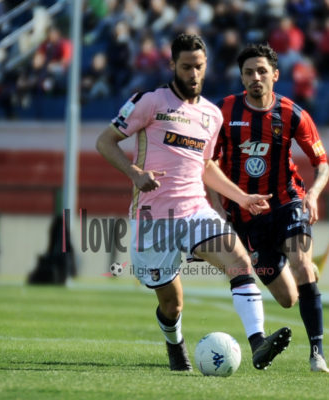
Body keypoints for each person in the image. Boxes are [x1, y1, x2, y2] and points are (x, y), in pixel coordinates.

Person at [96, 33, 291, 372]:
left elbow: (206, 165)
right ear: (173, 65)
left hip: (195, 210)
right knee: (172, 305)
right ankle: (175, 345)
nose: (193, 73)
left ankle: (258, 342)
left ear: (206, 65)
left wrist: (241, 197)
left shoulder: (211, 115)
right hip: (153, 219)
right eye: (186, 66)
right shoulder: (149, 102)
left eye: (199, 66)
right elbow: (105, 141)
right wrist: (135, 173)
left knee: (239, 261)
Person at [210, 44, 329, 373]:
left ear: (275, 75)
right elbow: (209, 162)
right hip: (246, 215)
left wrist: (313, 194)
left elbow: (321, 164)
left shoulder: (293, 114)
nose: (256, 77)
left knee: (302, 266)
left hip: (287, 202)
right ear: (241, 77)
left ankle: (317, 354)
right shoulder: (223, 112)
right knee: (288, 299)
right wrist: (218, 204)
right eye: (249, 72)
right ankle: (297, 266)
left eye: (262, 71)